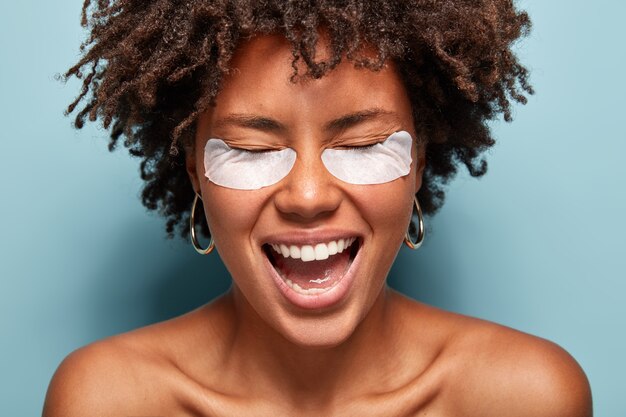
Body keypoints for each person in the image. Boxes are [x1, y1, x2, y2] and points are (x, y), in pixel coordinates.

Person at [43, 1, 592, 415]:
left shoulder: (526, 396)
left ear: (419, 160)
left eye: (359, 145)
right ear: (195, 172)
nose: (308, 196)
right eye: (252, 150)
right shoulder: (106, 399)